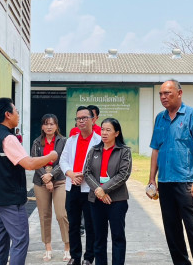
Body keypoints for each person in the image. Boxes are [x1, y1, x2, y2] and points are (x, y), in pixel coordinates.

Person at [0, 97, 58, 265]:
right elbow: (29, 164)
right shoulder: (8, 139)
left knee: (1, 242)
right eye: (16, 111)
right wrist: (51, 156)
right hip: (10, 199)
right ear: (7, 114)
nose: (18, 114)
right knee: (20, 241)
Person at [148, 79, 193, 265]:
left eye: (167, 93)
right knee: (172, 231)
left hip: (186, 183)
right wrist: (152, 179)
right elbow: (156, 149)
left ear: (180, 93)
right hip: (165, 182)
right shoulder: (160, 118)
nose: (163, 97)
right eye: (161, 94)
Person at [84, 118, 132, 265]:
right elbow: (87, 172)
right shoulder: (94, 150)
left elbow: (123, 174)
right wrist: (99, 191)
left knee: (118, 237)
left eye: (108, 130)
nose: (104, 133)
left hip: (117, 200)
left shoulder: (124, 151)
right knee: (99, 237)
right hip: (96, 201)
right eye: (102, 129)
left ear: (116, 133)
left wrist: (102, 189)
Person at [60, 106, 101, 265]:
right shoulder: (71, 140)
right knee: (73, 224)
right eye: (78, 118)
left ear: (92, 119)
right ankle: (75, 257)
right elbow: (63, 161)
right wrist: (70, 174)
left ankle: (89, 257)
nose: (81, 121)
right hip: (72, 187)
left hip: (89, 189)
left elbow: (100, 164)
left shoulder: (98, 141)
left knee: (91, 225)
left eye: (85, 118)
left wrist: (85, 175)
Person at [31, 114, 70, 262]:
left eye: (52, 124)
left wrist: (51, 175)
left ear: (57, 126)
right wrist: (45, 178)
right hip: (41, 181)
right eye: (46, 124)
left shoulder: (64, 141)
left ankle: (67, 247)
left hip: (60, 180)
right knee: (44, 216)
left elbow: (65, 160)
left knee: (62, 214)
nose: (49, 127)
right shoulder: (36, 142)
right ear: (42, 126)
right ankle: (48, 247)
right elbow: (34, 162)